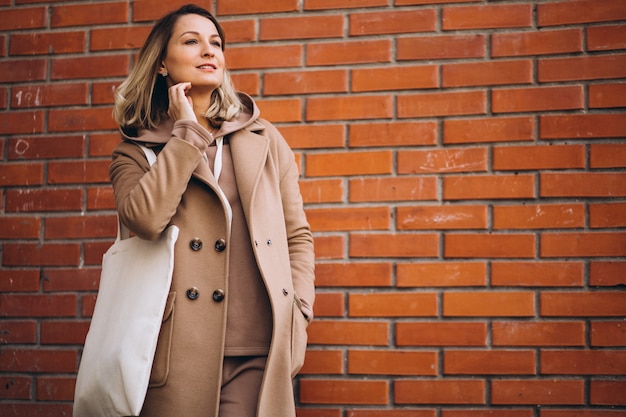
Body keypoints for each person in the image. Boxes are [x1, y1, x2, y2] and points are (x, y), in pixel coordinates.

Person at [109, 4, 315, 416]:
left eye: (216, 43)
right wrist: (186, 135)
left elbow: (297, 235)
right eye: (192, 41)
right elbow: (145, 220)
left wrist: (299, 312)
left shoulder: (264, 139)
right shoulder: (135, 152)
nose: (209, 51)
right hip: (175, 350)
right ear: (163, 63)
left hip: (259, 345)